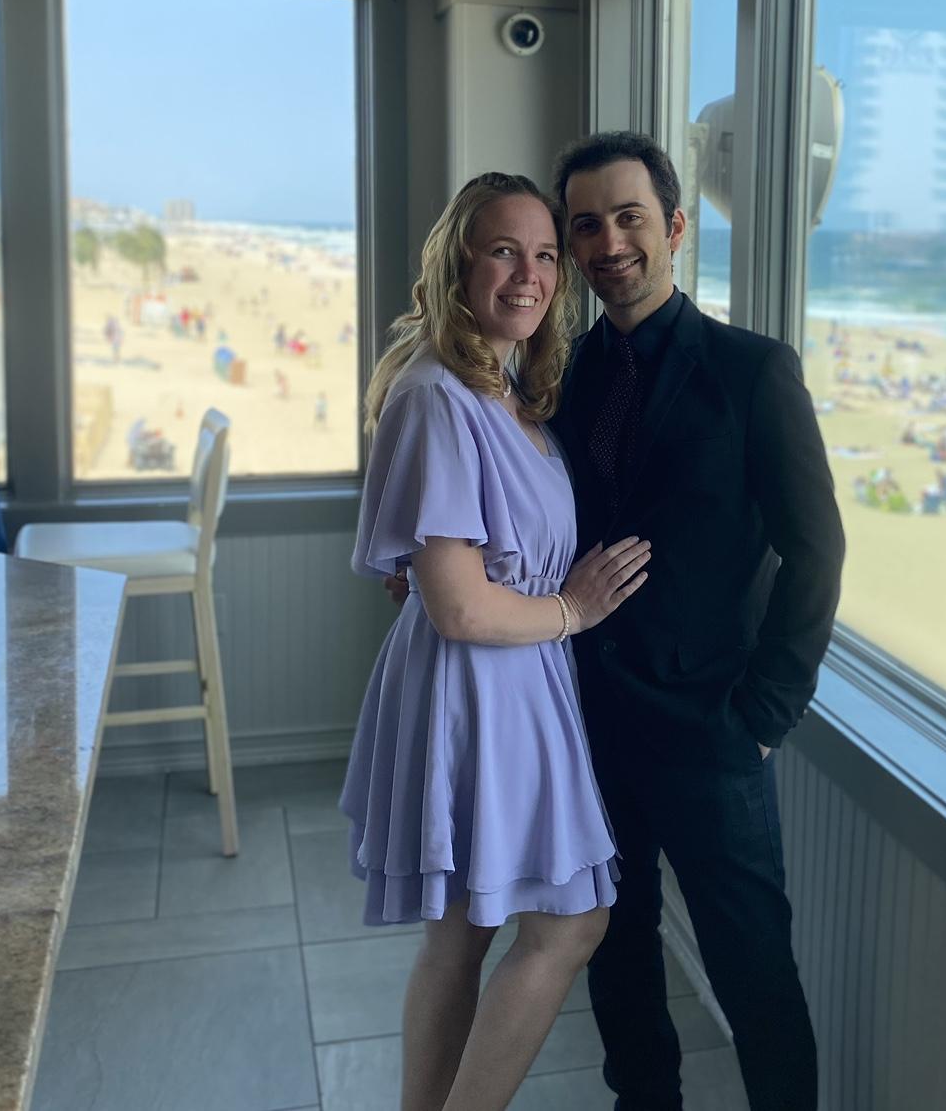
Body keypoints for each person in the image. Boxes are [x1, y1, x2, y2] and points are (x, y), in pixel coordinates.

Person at [338, 172, 652, 1111]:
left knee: (465, 931)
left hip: (516, 680)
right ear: (459, 264)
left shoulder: (503, 385)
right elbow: (461, 610)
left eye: (546, 255)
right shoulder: (440, 394)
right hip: (484, 683)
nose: (530, 275)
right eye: (504, 252)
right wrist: (575, 610)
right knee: (571, 922)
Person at [549, 133, 845, 1111]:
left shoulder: (754, 372)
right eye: (587, 225)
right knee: (617, 954)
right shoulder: (565, 376)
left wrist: (764, 715)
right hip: (591, 726)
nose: (609, 243)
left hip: (713, 730)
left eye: (629, 217)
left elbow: (817, 551)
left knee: (755, 975)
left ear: (674, 227)